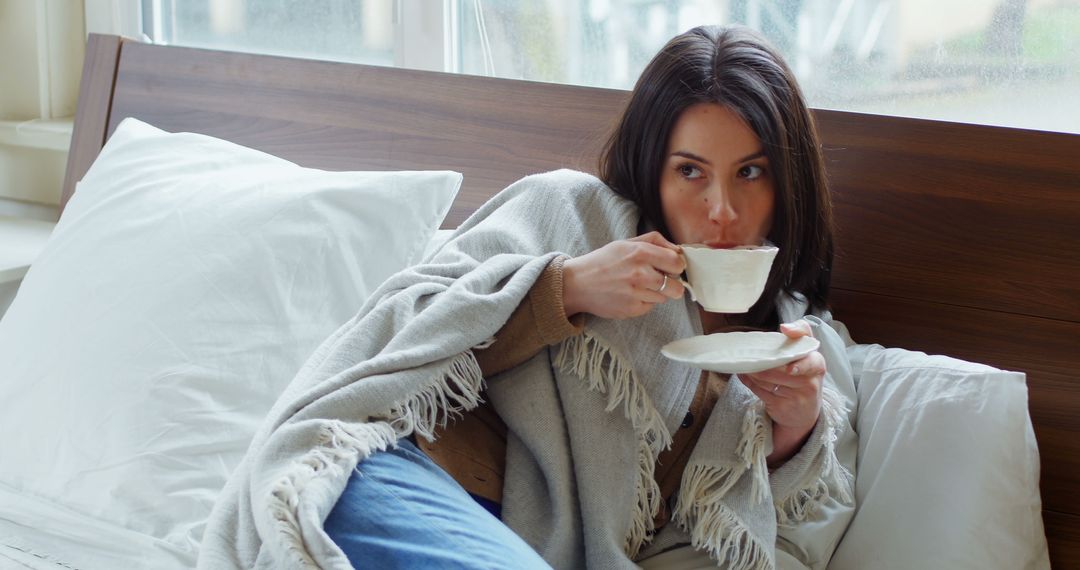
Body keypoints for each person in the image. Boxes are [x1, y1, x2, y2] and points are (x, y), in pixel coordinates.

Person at [197, 25, 852, 570]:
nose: (721, 211)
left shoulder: (796, 341)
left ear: (786, 177)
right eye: (690, 172)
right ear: (652, 167)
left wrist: (792, 431)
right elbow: (399, 329)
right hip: (382, 476)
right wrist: (565, 287)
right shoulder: (576, 214)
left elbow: (729, 518)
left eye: (750, 172)